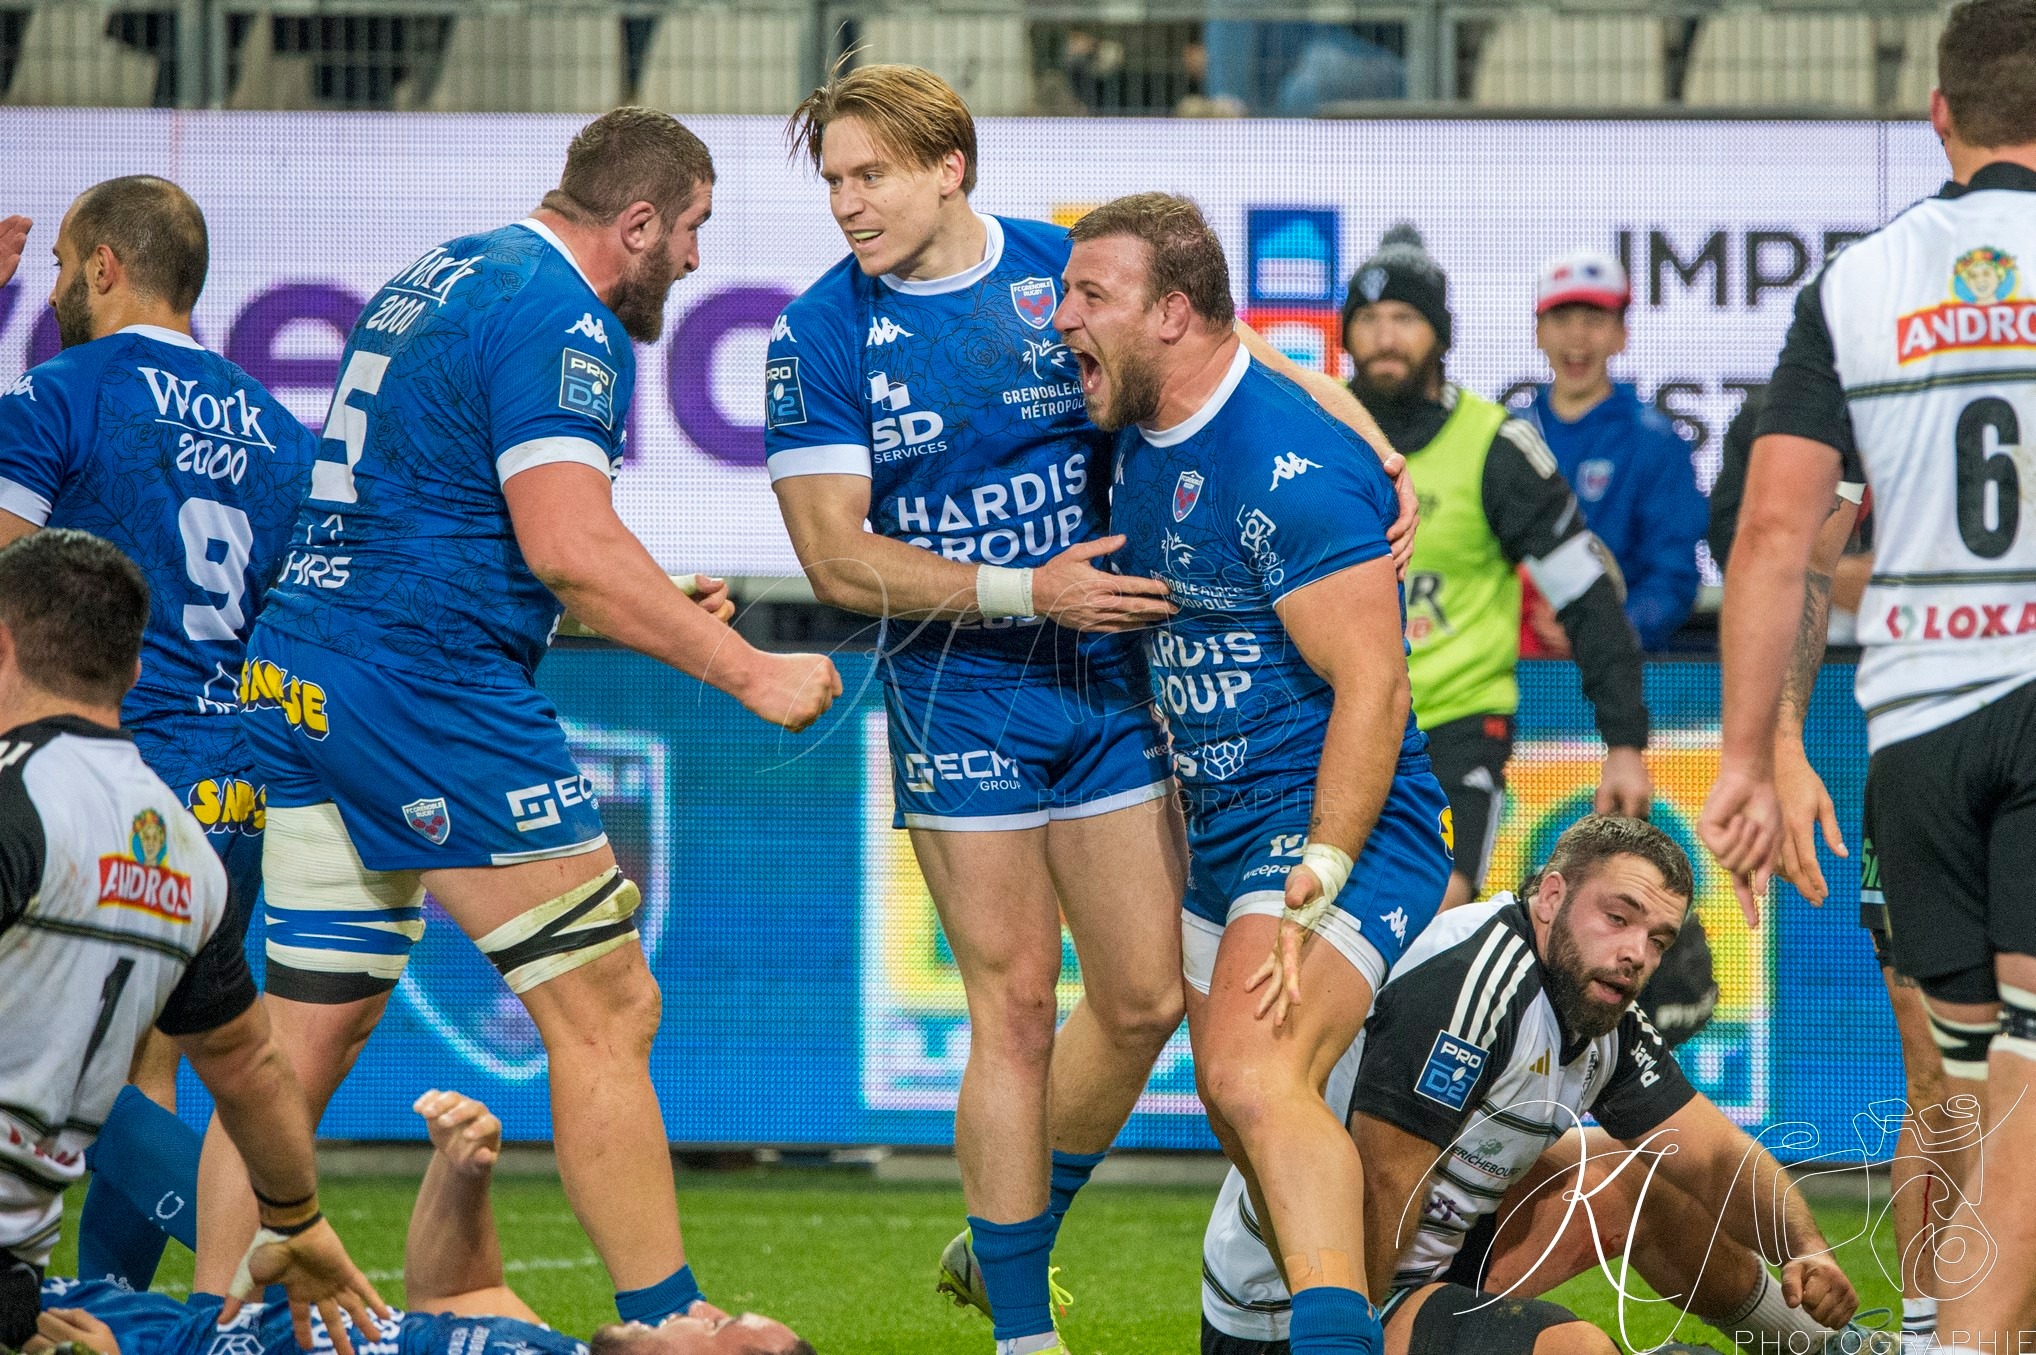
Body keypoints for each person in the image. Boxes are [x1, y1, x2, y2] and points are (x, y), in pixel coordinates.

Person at [767, 65, 1413, 1355]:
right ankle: (1021, 1328)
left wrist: (1373, 451)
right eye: (832, 179)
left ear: (948, 166)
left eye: (869, 174)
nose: (845, 203)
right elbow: (834, 559)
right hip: (962, 694)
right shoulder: (817, 335)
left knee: (1138, 999)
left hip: (1111, 681)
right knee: (1011, 1002)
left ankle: (1002, 1232)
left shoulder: (1062, 273)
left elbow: (1242, 355)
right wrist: (1027, 589)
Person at [196, 107, 843, 1327]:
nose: (694, 259)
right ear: (636, 222)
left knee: (292, 1055)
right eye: (692, 229)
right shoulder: (564, 318)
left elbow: (451, 518)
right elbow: (568, 546)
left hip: (303, 672)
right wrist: (747, 671)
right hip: (423, 690)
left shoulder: (446, 270)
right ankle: (672, 1325)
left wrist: (647, 601)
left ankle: (209, 1327)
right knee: (605, 1004)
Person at [1058, 191, 1453, 1355]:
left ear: (1169, 313)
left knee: (1249, 1069)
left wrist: (1323, 859)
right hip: (1216, 827)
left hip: (1337, 818)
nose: (1061, 318)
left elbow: (1374, 687)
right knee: (1250, 1118)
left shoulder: (1291, 471)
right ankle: (1397, 1306)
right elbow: (1253, 349)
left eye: (1088, 297)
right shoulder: (1136, 414)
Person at [1702, 3, 2036, 1350]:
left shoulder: (1856, 283)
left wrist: (1756, 751)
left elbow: (1775, 535)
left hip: (1917, 731)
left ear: (1939, 115)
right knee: (2009, 1086)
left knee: (1965, 1082)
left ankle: (1954, 1330)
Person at [1199, 815, 1892, 1355]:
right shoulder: (1474, 985)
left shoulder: (1597, 1003)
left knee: (1638, 1174)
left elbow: (1714, 1157)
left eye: (1657, 938)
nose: (1636, 953)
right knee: (1577, 1348)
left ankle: (1818, 1343)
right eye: (1617, 917)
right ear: (1552, 896)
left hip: (1430, 1248)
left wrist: (1805, 1247)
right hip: (1306, 1300)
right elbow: (1383, 1190)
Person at [0, 175, 320, 1289]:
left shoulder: (60, 393)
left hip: (102, 771)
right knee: (149, 1059)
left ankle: (291, 1250)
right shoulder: (282, 432)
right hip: (235, 780)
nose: (52, 288)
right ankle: (115, 1314)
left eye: (59, 267)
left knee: (79, 1065)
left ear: (103, 266)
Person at [0, 530, 383, 1355]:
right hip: (16, 1272)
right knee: (147, 1072)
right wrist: (297, 1217)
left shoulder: (13, 797)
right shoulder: (184, 855)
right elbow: (249, 1063)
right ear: (136, 669)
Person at [1342, 225, 1651, 910]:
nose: (1384, 338)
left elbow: (1587, 596)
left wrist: (1625, 743)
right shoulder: (1316, 437)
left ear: (1441, 335)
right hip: (1327, 721)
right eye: (1367, 320)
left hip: (1451, 728)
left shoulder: (1497, 446)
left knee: (1437, 913)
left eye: (1404, 318)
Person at [30, 1090, 808, 1355]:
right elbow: (461, 1292)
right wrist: (463, 1171)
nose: (696, 1310)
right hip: (179, 1322)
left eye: (717, 1328)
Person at [1519, 251, 1706, 654]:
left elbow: (1673, 576)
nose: (1577, 337)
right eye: (1561, 319)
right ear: (1538, 332)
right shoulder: (1509, 435)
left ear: (1622, 333)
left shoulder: (1656, 443)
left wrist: (1606, 631)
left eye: (1594, 320)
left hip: (1617, 672)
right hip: (1506, 668)